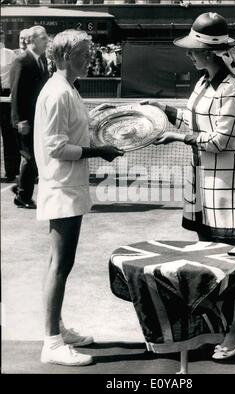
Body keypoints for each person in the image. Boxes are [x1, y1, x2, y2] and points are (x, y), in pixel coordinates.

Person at [150, 12, 235, 360]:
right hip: (200, 183)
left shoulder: (233, 87)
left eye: (195, 49)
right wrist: (163, 109)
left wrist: (177, 137)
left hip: (225, 184)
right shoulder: (203, 83)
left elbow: (221, 140)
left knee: (231, 262)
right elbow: (194, 119)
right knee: (209, 260)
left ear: (211, 53)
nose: (190, 54)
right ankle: (215, 328)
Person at [34, 29, 124, 366]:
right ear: (64, 55)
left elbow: (71, 132)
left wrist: (97, 119)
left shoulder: (67, 89)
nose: (91, 57)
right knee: (61, 264)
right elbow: (56, 148)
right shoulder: (57, 93)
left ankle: (55, 328)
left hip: (69, 186)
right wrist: (98, 150)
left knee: (61, 262)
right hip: (61, 187)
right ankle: (52, 343)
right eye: (85, 52)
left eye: (91, 51)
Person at [10, 25, 49, 209]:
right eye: (43, 38)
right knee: (30, 158)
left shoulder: (42, 60)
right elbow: (16, 93)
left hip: (38, 119)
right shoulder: (21, 61)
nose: (47, 40)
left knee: (35, 157)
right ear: (31, 40)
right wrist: (19, 120)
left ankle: (20, 186)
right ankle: (23, 197)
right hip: (26, 121)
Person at [0, 29, 20, 182]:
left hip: (6, 96)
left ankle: (11, 172)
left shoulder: (10, 54)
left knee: (9, 137)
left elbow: (15, 76)